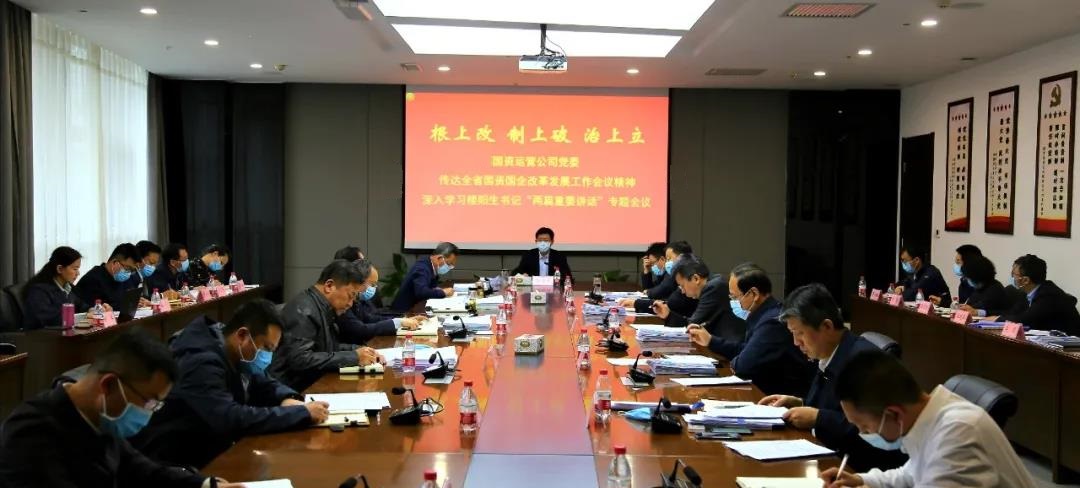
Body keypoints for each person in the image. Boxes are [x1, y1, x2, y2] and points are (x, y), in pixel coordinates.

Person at [0, 329, 243, 487]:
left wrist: (205, 485)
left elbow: (141, 470)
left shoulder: (99, 418)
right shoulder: (32, 433)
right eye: (149, 402)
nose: (149, 412)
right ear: (108, 385)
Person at [131, 299, 328, 468]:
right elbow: (229, 418)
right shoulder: (200, 361)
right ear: (242, 335)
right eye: (266, 348)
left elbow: (260, 379)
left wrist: (287, 398)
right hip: (177, 457)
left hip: (210, 445)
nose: (268, 356)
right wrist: (299, 414)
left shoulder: (229, 345)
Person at [820, 349, 1037, 488]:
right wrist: (861, 479)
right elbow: (912, 473)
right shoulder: (928, 417)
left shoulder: (958, 434)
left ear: (894, 414)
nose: (863, 434)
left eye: (865, 427)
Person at [759, 284, 907, 472]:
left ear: (827, 326)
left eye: (800, 333)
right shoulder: (830, 354)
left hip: (863, 469)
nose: (796, 343)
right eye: (793, 335)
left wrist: (818, 418)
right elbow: (835, 406)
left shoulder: (864, 364)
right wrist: (799, 402)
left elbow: (872, 428)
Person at [687, 262, 814, 396]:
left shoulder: (771, 322)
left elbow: (743, 366)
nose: (733, 302)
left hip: (777, 397)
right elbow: (745, 350)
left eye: (735, 297)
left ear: (754, 294)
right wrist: (710, 340)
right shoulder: (763, 314)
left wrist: (737, 360)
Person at [269, 259, 386, 391]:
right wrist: (354, 357)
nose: (351, 304)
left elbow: (327, 347)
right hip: (293, 390)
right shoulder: (303, 309)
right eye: (351, 296)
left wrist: (361, 350)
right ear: (329, 286)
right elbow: (301, 359)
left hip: (312, 383)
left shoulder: (321, 306)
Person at [332, 246, 421, 344]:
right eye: (372, 284)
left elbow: (369, 318)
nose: (350, 303)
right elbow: (360, 330)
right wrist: (398, 322)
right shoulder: (341, 299)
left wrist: (401, 321)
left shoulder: (356, 299)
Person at [651, 257, 744, 341]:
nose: (682, 291)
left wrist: (669, 316)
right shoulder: (713, 283)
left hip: (731, 347)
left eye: (682, 286)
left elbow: (692, 325)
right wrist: (668, 315)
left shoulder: (713, 288)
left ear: (696, 279)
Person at [994, 254, 1080, 336]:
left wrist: (997, 319)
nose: (1012, 277)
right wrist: (992, 317)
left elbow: (1025, 320)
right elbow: (1013, 313)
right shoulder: (1026, 293)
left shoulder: (1049, 295)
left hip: (1069, 344)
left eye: (1013, 274)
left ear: (1025, 280)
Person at [21, 246, 100, 330]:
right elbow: (48, 319)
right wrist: (84, 316)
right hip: (41, 336)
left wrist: (92, 310)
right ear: (60, 269)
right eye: (75, 269)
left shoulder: (67, 288)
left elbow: (80, 305)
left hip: (64, 333)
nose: (78, 273)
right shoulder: (39, 291)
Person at [622, 241, 697, 318]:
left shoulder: (683, 275)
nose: (666, 262)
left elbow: (667, 302)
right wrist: (646, 271)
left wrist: (636, 303)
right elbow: (653, 293)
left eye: (668, 259)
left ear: (682, 258)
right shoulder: (670, 274)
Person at [390, 242, 458, 313]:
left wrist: (436, 290)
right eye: (449, 264)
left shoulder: (429, 264)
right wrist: (443, 292)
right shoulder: (422, 268)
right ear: (439, 258)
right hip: (403, 313)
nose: (449, 268)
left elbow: (428, 287)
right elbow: (421, 292)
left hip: (415, 309)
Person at [73, 243, 141, 309]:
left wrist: (138, 301)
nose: (129, 273)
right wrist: (125, 304)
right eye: (127, 268)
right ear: (114, 262)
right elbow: (92, 309)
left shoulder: (124, 279)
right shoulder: (92, 280)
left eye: (132, 270)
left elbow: (128, 300)